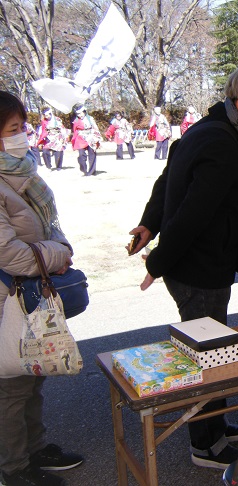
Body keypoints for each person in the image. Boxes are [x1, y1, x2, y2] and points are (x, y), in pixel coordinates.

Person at [128, 58, 238, 470]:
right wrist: (158, 259)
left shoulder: (215, 131)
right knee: (208, 357)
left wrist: (148, 222)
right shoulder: (220, 141)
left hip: (206, 264)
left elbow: (166, 183)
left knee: (215, 349)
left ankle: (216, 424)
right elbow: (192, 213)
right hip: (198, 269)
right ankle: (208, 446)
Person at [0, 91, 83, 486]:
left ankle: (35, 451)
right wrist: (58, 254)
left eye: (22, 127)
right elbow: (12, 256)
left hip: (30, 294)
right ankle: (14, 470)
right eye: (14, 130)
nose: (23, 136)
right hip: (7, 300)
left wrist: (59, 246)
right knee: (12, 390)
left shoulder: (21, 173)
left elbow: (48, 224)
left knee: (33, 375)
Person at [71, 105, 101, 176]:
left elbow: (95, 127)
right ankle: (84, 169)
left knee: (92, 154)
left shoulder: (90, 118)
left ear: (84, 112)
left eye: (80, 113)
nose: (79, 115)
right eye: (78, 114)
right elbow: (75, 130)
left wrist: (97, 137)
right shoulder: (76, 121)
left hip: (91, 136)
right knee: (81, 154)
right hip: (81, 137)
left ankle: (92, 171)